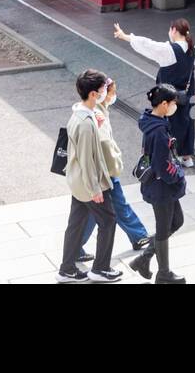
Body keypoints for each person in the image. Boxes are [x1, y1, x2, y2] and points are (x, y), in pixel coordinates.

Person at [56, 70, 123, 283]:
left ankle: (66, 269)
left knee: (76, 223)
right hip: (89, 184)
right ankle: (100, 268)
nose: (106, 92)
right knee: (108, 220)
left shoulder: (81, 114)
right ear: (94, 94)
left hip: (77, 181)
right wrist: (95, 189)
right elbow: (87, 159)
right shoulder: (86, 122)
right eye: (103, 89)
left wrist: (98, 125)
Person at [74, 79, 150, 264]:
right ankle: (139, 235)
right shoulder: (96, 115)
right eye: (110, 92)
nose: (112, 96)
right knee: (117, 206)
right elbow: (103, 146)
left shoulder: (97, 110)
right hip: (104, 173)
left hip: (101, 174)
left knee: (93, 212)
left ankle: (75, 247)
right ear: (98, 93)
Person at [114, 19, 195, 167]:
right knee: (186, 122)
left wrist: (126, 37)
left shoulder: (168, 50)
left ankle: (169, 156)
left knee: (167, 124)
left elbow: (147, 45)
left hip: (167, 97)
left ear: (174, 30)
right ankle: (187, 157)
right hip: (187, 95)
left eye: (170, 29)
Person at [131, 83, 188, 283]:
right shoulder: (158, 131)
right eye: (173, 103)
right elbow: (162, 166)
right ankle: (163, 274)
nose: (175, 106)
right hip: (161, 187)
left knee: (176, 221)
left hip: (162, 187)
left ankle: (143, 259)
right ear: (164, 104)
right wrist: (179, 175)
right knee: (164, 227)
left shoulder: (154, 122)